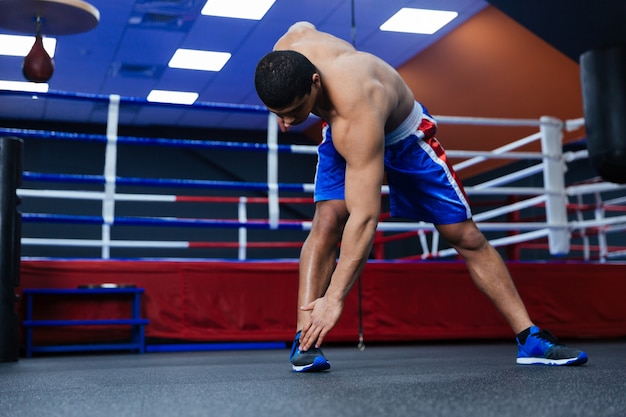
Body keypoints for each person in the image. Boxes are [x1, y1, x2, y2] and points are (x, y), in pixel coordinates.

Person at [254, 21, 588, 372]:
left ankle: (530, 338)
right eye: (280, 114)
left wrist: (334, 299)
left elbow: (365, 218)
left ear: (314, 82)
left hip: (403, 137)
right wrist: (286, 109)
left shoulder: (355, 104)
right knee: (325, 222)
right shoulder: (291, 48)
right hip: (343, 125)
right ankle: (303, 341)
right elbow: (299, 28)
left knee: (465, 236)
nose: (289, 122)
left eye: (294, 110)